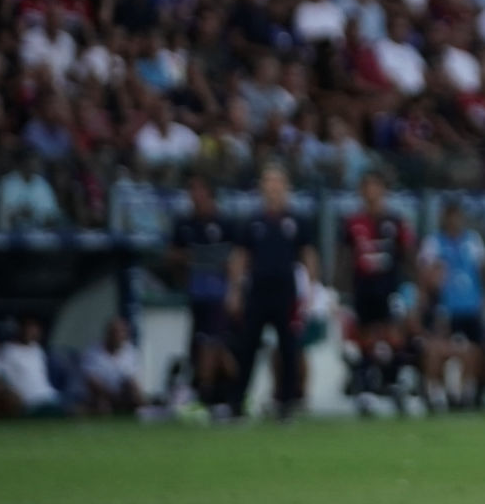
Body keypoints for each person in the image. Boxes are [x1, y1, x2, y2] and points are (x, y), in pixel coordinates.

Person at [228, 165, 317, 419]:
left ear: (286, 187)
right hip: (257, 291)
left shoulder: (297, 221)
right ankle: (238, 401)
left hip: (286, 292)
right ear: (262, 187)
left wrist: (310, 288)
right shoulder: (253, 221)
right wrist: (234, 290)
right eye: (268, 181)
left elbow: (308, 255)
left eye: (277, 182)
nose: (273, 187)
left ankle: (286, 402)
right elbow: (240, 257)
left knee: (289, 348)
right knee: (247, 347)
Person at [339, 170, 417, 410]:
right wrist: (341, 291)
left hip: (389, 286)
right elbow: (344, 257)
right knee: (364, 337)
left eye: (376, 187)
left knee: (393, 334)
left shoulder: (395, 221)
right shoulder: (353, 222)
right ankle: (365, 386)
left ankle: (393, 381)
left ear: (383, 191)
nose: (371, 192)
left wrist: (412, 287)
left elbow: (408, 255)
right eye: (367, 187)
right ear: (361, 192)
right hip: (363, 287)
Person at [170, 177, 238, 412]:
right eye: (191, 191)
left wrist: (234, 290)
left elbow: (236, 259)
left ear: (209, 194)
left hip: (218, 295)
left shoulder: (225, 223)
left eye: (198, 191)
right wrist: (190, 259)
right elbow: (172, 254)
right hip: (196, 294)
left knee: (212, 343)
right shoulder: (185, 224)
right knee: (203, 345)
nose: (194, 197)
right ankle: (229, 392)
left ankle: (207, 394)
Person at [418, 200, 485, 411]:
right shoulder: (434, 243)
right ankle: (436, 395)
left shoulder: (472, 241)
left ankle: (471, 393)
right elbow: (425, 273)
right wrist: (425, 296)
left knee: (479, 350)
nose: (454, 221)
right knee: (437, 349)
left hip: (471, 306)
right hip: (445, 307)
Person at [81, 316, 143, 416]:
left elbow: (131, 379)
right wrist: (113, 396)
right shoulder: (93, 352)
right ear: (108, 334)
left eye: (122, 332)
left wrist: (136, 396)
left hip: (122, 393)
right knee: (102, 404)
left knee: (135, 396)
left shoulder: (130, 351)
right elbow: (92, 382)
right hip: (100, 395)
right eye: (115, 332)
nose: (118, 336)